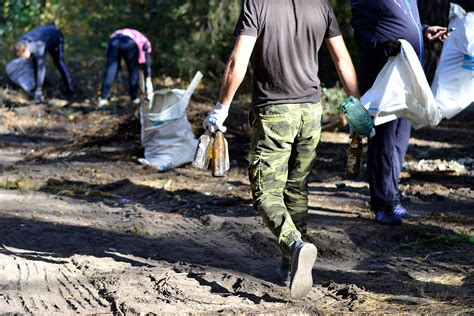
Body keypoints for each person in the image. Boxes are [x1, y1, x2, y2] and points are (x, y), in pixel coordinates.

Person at [203, 0, 359, 299]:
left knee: (266, 192)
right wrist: (357, 106)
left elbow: (239, 60)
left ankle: (294, 244)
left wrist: (222, 108)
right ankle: (289, 268)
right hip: (311, 110)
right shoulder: (321, 5)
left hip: (275, 110)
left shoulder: (257, 3)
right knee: (297, 189)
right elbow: (342, 59)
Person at [351, 0, 450, 226]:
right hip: (384, 79)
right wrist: (386, 46)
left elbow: (405, 23)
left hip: (406, 81)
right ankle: (381, 204)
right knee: (383, 142)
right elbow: (362, 34)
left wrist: (424, 31)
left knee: (399, 141)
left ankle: (393, 198)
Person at [15, 25, 74, 103]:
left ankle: (70, 90)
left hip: (55, 37)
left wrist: (38, 90)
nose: (24, 58)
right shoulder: (21, 43)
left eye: (24, 56)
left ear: (26, 50)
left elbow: (41, 68)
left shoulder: (38, 47)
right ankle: (38, 89)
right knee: (34, 64)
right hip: (44, 38)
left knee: (59, 63)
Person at [98, 28, 153, 107]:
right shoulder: (144, 41)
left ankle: (103, 98)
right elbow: (147, 60)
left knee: (111, 68)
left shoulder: (125, 33)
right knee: (133, 69)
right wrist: (148, 78)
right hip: (129, 43)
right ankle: (134, 97)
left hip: (114, 41)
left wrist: (118, 70)